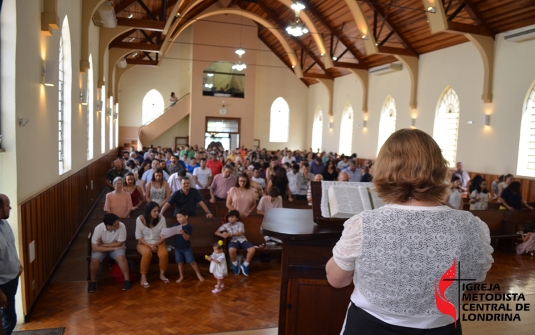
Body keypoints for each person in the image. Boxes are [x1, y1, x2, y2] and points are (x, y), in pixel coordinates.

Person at [326, 129, 493, 334]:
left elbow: (337, 279)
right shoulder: (471, 226)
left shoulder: (365, 224)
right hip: (441, 327)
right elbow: (475, 279)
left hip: (371, 327)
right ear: (439, 169)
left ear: (385, 170)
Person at [88, 213, 131, 293]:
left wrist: (104, 245)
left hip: (112, 246)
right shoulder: (98, 229)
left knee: (121, 258)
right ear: (108, 226)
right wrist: (112, 248)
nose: (118, 226)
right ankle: (93, 282)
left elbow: (120, 243)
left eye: (118, 223)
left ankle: (127, 280)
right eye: (115, 225)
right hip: (104, 248)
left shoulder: (122, 226)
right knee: (94, 261)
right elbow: (95, 248)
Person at [0, 194, 23, 335]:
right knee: (8, 322)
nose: (10, 208)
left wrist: (18, 264)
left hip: (12, 280)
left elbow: (10, 246)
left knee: (9, 319)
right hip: (2, 285)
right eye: (7, 205)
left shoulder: (4, 223)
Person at [135, 202, 169, 288]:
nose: (157, 213)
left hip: (159, 242)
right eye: (154, 211)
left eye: (158, 211)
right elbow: (138, 237)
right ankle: (143, 277)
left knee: (164, 253)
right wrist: (150, 246)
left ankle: (162, 275)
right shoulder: (140, 219)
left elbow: (164, 235)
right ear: (148, 211)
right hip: (143, 243)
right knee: (147, 253)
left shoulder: (162, 218)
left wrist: (155, 244)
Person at [215, 210, 255, 276]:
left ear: (237, 218)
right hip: (233, 241)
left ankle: (245, 265)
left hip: (242, 240)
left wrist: (229, 234)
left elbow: (240, 233)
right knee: (231, 250)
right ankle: (235, 264)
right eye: (229, 217)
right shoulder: (226, 225)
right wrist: (223, 235)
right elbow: (216, 232)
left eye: (232, 217)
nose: (230, 218)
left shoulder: (240, 224)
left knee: (252, 249)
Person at [172, 209, 204, 283]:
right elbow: (172, 233)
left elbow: (187, 238)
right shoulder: (176, 225)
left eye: (180, 217)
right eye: (177, 217)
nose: (178, 219)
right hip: (177, 248)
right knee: (180, 262)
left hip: (186, 248)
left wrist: (183, 233)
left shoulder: (189, 227)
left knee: (192, 262)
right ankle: (181, 276)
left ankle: (198, 274)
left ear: (186, 217)